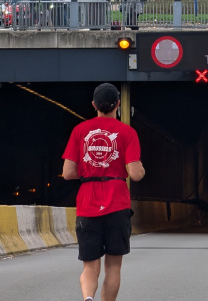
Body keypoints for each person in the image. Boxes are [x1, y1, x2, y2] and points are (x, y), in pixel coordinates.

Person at [62, 84, 144, 301]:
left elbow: (68, 172)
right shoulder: (128, 132)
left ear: (94, 105)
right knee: (114, 267)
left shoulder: (79, 131)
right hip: (117, 203)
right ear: (118, 104)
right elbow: (135, 174)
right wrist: (140, 168)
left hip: (88, 203)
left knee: (89, 266)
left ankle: (88, 298)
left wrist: (91, 169)